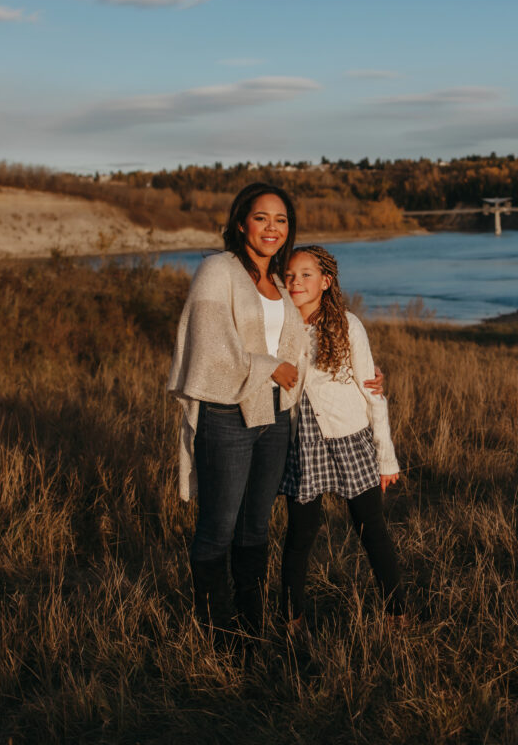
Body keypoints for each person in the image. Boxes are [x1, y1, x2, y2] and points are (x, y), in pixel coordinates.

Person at [167, 183, 307, 632]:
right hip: (227, 412)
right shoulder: (217, 270)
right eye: (262, 217)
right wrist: (268, 367)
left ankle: (251, 624)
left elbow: (307, 340)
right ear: (241, 221)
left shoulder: (280, 282)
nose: (272, 228)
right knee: (218, 526)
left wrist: (363, 372)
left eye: (281, 220)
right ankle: (216, 630)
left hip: (275, 414)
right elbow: (209, 346)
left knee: (256, 528)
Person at [280, 245, 404, 628]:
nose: (296, 282)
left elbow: (373, 391)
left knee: (371, 529)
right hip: (301, 440)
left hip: (349, 437)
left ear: (326, 281)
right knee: (300, 533)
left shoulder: (347, 324)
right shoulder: (278, 325)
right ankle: (291, 616)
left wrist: (386, 458)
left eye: (305, 274)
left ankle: (397, 611)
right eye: (289, 275)